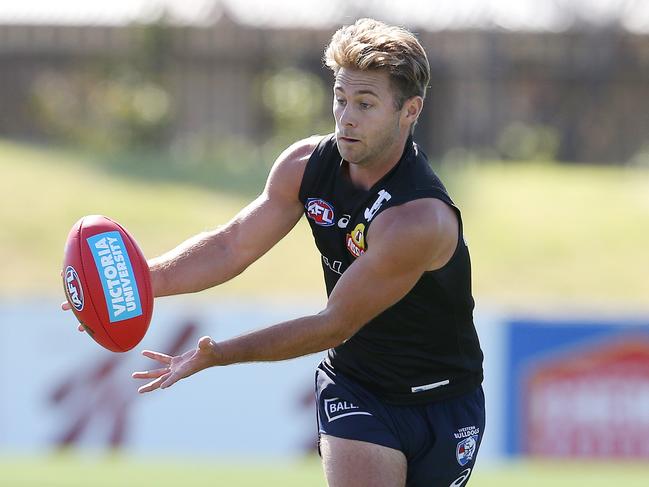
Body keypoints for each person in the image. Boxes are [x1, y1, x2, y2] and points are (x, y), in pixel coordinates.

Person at [66, 18, 485, 487]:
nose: (346, 117)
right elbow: (230, 245)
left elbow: (334, 323)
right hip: (358, 387)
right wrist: (130, 288)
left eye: (365, 104)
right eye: (341, 99)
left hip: (442, 399)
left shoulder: (417, 219)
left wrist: (219, 354)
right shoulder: (305, 166)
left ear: (411, 110)